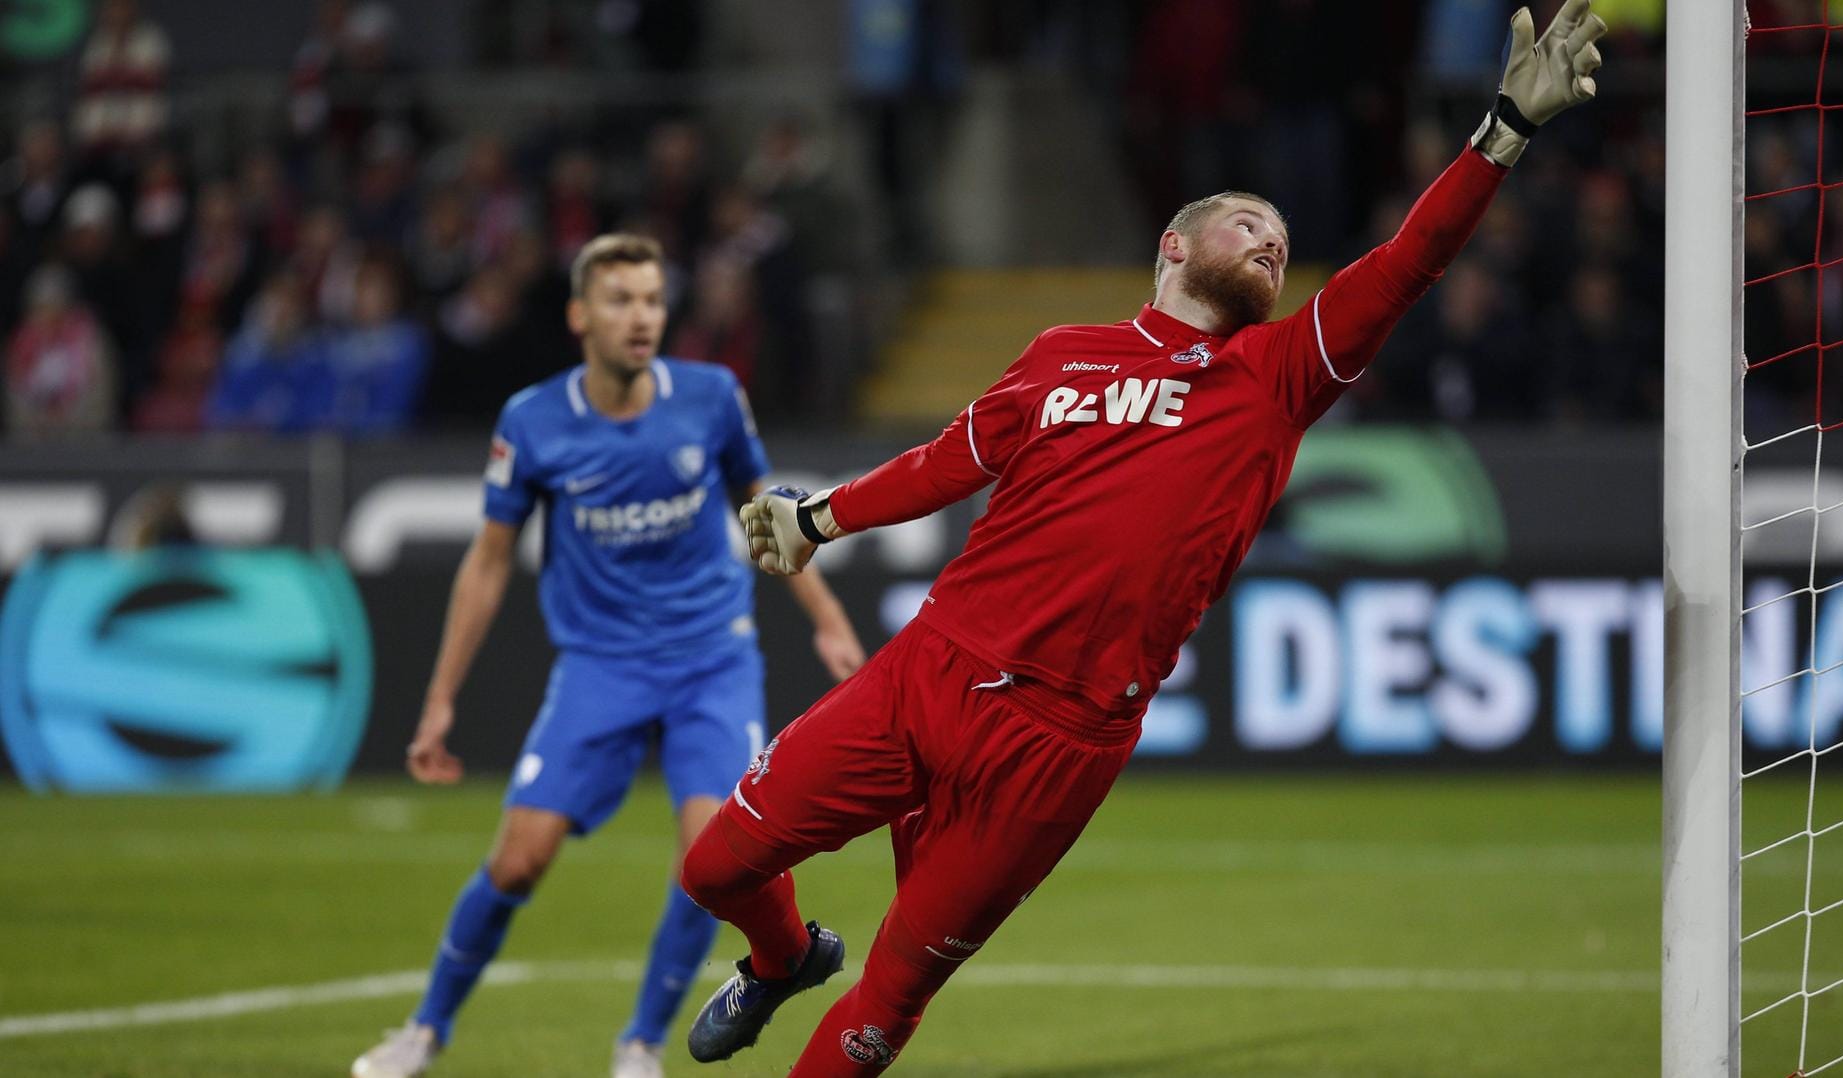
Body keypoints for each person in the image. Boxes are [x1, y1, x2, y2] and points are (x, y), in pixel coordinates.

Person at [678, 5, 1606, 1075]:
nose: (1272, 240)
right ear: (1174, 246)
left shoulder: (1276, 377)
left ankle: (822, 988)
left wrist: (1503, 129)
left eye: (1283, 240)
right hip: (930, 670)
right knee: (716, 867)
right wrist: (817, 518)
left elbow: (1409, 261)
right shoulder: (1060, 355)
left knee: (894, 991)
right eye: (1249, 222)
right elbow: (949, 461)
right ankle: (783, 957)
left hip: (1060, 742)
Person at [351, 233, 867, 1078]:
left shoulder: (710, 396)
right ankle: (424, 1030)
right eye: (622, 300)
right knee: (518, 859)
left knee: (712, 861)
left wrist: (825, 616)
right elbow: (487, 562)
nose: (642, 318)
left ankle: (639, 1046)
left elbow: (766, 509)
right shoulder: (533, 419)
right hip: (599, 665)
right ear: (579, 315)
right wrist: (441, 696)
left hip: (710, 659)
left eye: (654, 301)